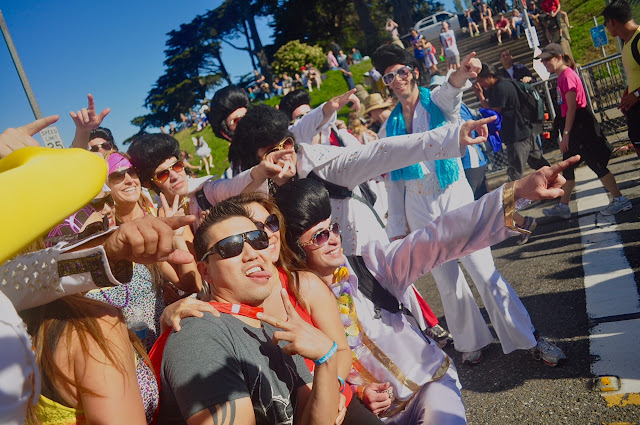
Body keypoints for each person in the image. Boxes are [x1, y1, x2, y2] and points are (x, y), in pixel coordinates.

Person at [273, 164, 577, 422]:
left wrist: (516, 193)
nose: (334, 240)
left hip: (428, 386)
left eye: (334, 228)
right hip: (369, 416)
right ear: (293, 250)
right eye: (320, 236)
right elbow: (312, 375)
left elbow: (438, 237)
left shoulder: (372, 265)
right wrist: (357, 393)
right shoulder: (293, 306)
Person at [373, 44, 562, 365]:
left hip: (456, 202)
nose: (397, 80)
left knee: (484, 271)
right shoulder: (386, 129)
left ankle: (527, 337)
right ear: (386, 83)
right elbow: (394, 184)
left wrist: (460, 74)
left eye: (402, 72)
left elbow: (451, 94)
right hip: (419, 211)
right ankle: (469, 340)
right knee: (447, 282)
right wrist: (395, 228)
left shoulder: (437, 102)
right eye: (389, 76)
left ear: (413, 72)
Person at [228, 101, 496, 257]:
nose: (284, 155)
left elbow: (381, 153)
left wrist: (450, 137)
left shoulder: (324, 164)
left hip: (364, 260)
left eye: (287, 143)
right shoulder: (260, 192)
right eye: (272, 152)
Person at [158, 201, 342, 424]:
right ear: (205, 271)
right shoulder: (199, 335)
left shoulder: (276, 331)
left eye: (258, 240)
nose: (252, 254)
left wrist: (327, 360)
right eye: (231, 247)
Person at [538, 43, 632, 217]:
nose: (544, 63)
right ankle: (564, 206)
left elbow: (573, 107)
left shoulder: (566, 75)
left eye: (547, 59)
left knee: (595, 163)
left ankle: (620, 199)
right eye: (542, 60)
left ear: (559, 57)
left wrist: (565, 135)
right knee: (567, 166)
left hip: (581, 125)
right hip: (574, 125)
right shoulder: (562, 76)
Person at [127, 133, 283, 231]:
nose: (175, 176)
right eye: (162, 175)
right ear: (149, 184)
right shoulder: (154, 215)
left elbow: (233, 187)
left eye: (177, 166)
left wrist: (259, 172)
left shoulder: (205, 191)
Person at [473, 63, 550, 181]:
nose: (481, 85)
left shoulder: (500, 88)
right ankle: (554, 184)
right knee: (539, 163)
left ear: (490, 76)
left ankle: (513, 199)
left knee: (515, 172)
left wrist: (481, 96)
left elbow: (493, 114)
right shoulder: (505, 84)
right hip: (524, 130)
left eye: (482, 81)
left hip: (516, 135)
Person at [602, 0, 640, 158]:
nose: (606, 27)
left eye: (606, 23)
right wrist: (628, 92)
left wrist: (636, 95)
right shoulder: (627, 43)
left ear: (612, 21)